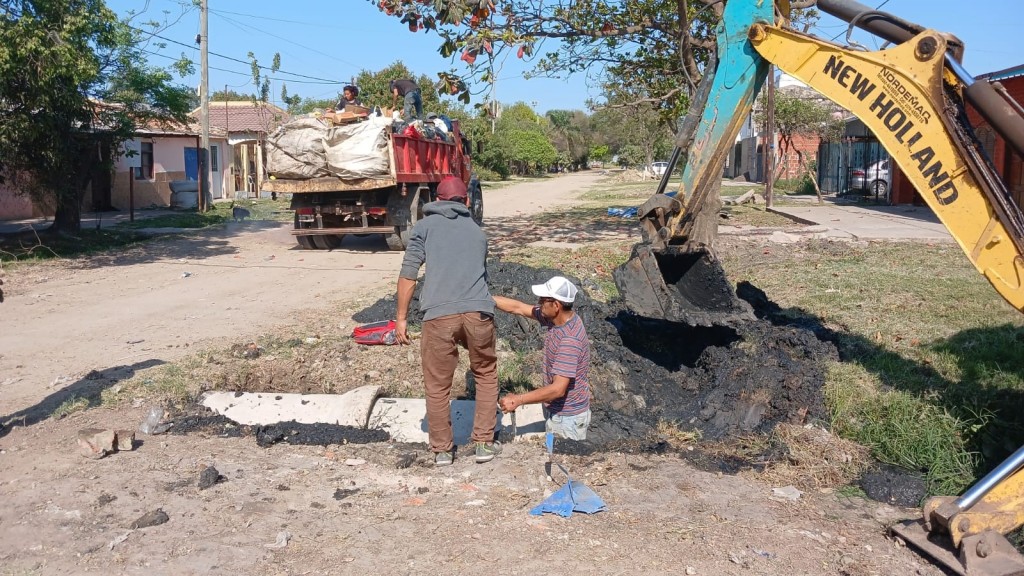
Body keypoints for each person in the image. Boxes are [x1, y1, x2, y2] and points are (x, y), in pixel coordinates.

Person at [395, 176, 501, 466]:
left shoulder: (424, 228)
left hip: (438, 316)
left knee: (438, 384)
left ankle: (443, 450)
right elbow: (482, 278)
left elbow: (409, 275)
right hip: (479, 313)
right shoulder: (478, 232)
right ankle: (483, 444)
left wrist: (401, 319)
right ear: (465, 201)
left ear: (436, 200)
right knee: (486, 374)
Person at [494, 276, 592, 440]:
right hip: (558, 412)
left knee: (560, 462)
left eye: (543, 300)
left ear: (556, 305)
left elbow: (557, 389)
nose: (539, 302)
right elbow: (518, 307)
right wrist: (484, 299)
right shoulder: (557, 319)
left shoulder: (569, 340)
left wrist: (518, 399)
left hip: (567, 418)